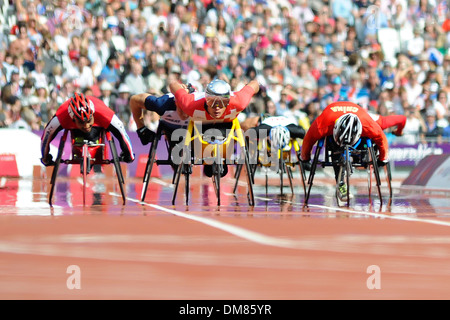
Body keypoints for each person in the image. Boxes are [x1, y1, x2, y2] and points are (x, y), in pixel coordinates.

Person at [300, 101, 390, 203]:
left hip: (359, 127)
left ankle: (358, 155)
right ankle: (341, 183)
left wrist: (382, 158)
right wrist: (305, 158)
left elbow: (382, 139)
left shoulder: (368, 125)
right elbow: (308, 140)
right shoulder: (323, 124)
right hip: (332, 126)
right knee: (333, 146)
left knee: (368, 141)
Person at [168, 78, 260, 177]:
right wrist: (184, 88)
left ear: (228, 101)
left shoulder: (239, 101)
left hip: (225, 126)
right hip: (200, 128)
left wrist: (247, 88)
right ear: (206, 100)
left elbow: (255, 84)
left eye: (222, 102)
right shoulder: (190, 104)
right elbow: (173, 84)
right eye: (212, 102)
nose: (217, 107)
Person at [40, 93, 135, 171]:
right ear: (73, 118)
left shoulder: (103, 113)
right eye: (82, 122)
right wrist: (45, 157)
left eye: (88, 121)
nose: (86, 125)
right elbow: (46, 137)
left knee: (97, 131)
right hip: (75, 130)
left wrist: (129, 155)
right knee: (80, 131)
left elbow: (121, 131)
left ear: (93, 114)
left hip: (97, 127)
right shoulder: (62, 116)